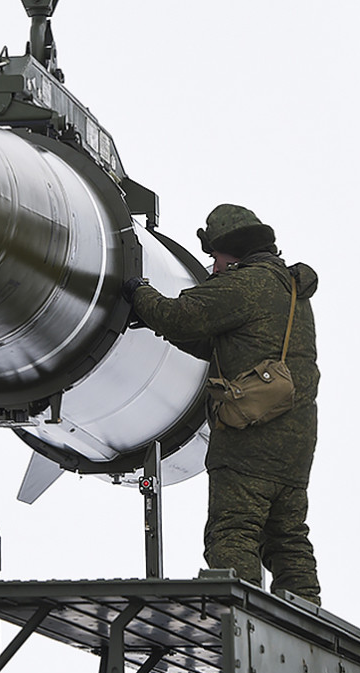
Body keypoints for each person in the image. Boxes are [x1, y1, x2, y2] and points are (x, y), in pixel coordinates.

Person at [126, 204, 322, 604]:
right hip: (295, 445)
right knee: (287, 540)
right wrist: (155, 322)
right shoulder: (290, 289)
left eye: (214, 257)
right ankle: (307, 624)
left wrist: (136, 292)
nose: (212, 267)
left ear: (232, 252)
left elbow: (179, 316)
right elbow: (213, 341)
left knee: (233, 532)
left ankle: (241, 618)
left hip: (250, 440)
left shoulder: (246, 284)